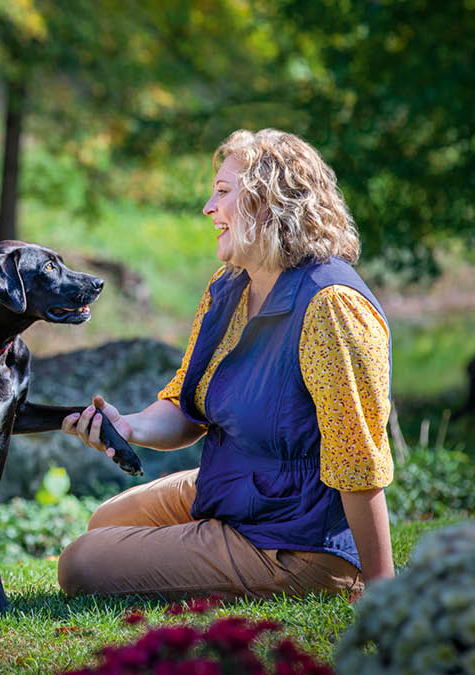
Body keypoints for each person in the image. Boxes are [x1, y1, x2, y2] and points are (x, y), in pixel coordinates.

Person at [58, 128, 394, 602]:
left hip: (295, 539)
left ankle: (331, 580)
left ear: (269, 201)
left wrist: (383, 591)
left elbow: (358, 462)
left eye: (222, 192)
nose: (208, 208)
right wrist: (127, 427)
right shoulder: (230, 287)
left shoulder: (330, 306)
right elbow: (186, 404)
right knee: (105, 522)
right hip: (241, 490)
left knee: (81, 562)